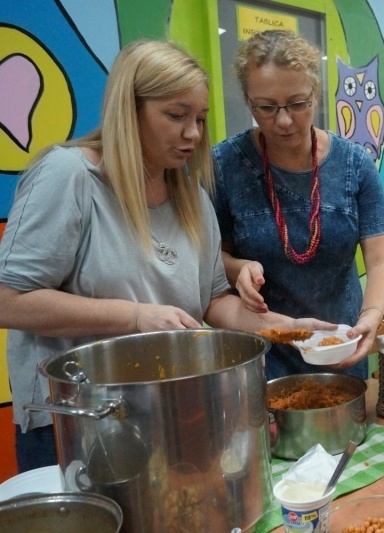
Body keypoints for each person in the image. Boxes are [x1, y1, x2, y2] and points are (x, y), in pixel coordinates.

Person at [0, 40, 332, 473]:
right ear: (129, 110)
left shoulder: (190, 195)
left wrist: (289, 329)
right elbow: (9, 300)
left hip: (167, 418)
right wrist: (136, 317)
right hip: (79, 424)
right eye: (176, 116)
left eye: (200, 119)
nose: (193, 133)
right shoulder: (70, 176)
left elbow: (215, 300)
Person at [212, 30, 384, 381]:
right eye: (266, 107)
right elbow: (210, 263)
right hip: (261, 350)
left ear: (316, 93)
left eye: (297, 103)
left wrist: (372, 317)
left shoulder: (355, 165)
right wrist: (238, 268)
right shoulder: (224, 165)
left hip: (339, 347)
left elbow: (381, 260)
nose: (284, 121)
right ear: (248, 101)